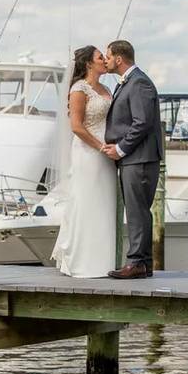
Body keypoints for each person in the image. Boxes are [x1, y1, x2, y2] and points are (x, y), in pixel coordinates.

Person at [51, 45, 120, 277]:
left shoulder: (107, 87)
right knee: (87, 201)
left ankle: (105, 260)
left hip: (108, 153)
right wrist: (100, 146)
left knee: (104, 203)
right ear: (90, 63)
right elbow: (77, 127)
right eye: (101, 57)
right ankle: (83, 261)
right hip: (89, 152)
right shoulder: (79, 89)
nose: (105, 60)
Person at [101, 40, 163, 279]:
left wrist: (121, 148)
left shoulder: (139, 82)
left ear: (118, 58)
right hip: (136, 159)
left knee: (137, 211)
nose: (105, 61)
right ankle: (144, 264)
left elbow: (142, 122)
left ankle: (137, 262)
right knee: (138, 210)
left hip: (140, 158)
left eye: (108, 57)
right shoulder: (129, 82)